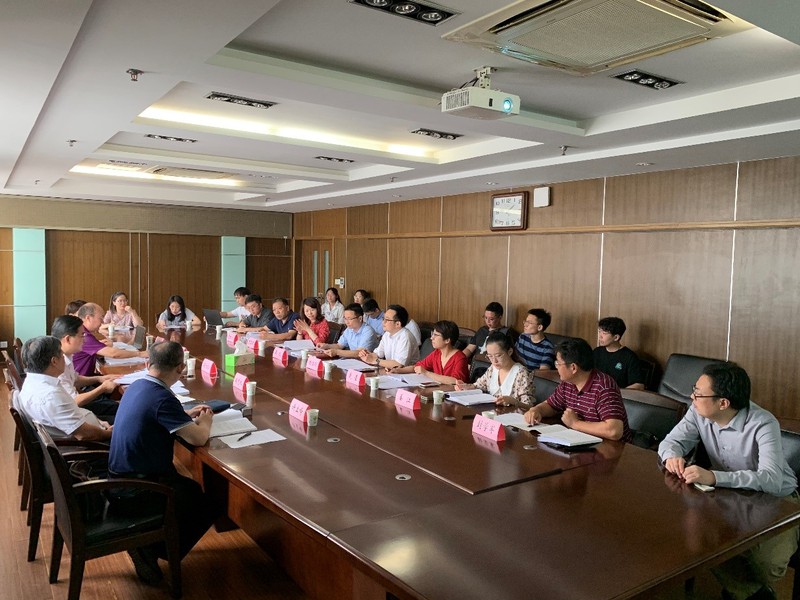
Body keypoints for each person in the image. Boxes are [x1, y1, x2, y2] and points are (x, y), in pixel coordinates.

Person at [659, 362, 799, 600]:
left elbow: (772, 480)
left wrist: (715, 476)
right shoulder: (697, 411)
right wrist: (671, 456)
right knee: (700, 542)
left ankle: (744, 590)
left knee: (768, 567)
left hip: (778, 501)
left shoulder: (763, 423)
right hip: (730, 494)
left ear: (723, 403)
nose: (692, 397)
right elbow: (670, 442)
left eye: (698, 393)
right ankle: (749, 594)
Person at [108, 341, 214, 585]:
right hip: (138, 488)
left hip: (120, 477)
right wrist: (206, 421)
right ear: (180, 368)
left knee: (191, 491)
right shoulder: (163, 398)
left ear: (148, 363)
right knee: (207, 502)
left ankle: (150, 543)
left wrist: (182, 416)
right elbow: (198, 438)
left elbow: (153, 416)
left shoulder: (137, 385)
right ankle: (150, 547)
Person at [524, 338, 631, 442]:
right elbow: (551, 405)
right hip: (581, 442)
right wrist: (536, 410)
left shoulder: (604, 387)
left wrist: (575, 423)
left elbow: (614, 431)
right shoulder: (568, 383)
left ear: (573, 368)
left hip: (611, 449)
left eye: (558, 363)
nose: (556, 367)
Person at [18, 335, 112, 441]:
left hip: (90, 427)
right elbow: (84, 434)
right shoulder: (51, 395)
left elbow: (71, 413)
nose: (64, 358)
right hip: (89, 444)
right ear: (54, 361)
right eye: (62, 354)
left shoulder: (33, 381)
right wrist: (109, 434)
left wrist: (98, 422)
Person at [52, 315, 120, 421]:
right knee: (122, 415)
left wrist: (100, 379)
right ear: (68, 339)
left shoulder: (67, 355)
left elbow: (75, 380)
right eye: (82, 335)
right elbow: (75, 401)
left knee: (119, 407)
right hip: (74, 413)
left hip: (77, 406)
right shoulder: (58, 364)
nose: (84, 340)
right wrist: (102, 388)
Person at [455, 331, 534, 406]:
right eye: (490, 356)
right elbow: (478, 386)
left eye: (498, 356)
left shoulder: (521, 373)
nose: (494, 361)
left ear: (510, 352)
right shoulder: (493, 368)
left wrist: (513, 402)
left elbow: (529, 406)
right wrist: (464, 387)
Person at [72, 303, 148, 376]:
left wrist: (101, 345)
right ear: (88, 318)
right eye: (101, 318)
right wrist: (140, 354)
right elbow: (113, 354)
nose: (102, 322)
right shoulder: (84, 336)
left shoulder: (82, 332)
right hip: (81, 381)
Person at [392, 320, 469, 384]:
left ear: (447, 340)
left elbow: (456, 381)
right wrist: (397, 370)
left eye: (436, 335)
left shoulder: (460, 358)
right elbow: (417, 367)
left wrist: (427, 373)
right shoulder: (437, 353)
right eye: (432, 334)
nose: (432, 338)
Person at [359, 304, 420, 369]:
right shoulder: (387, 334)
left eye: (387, 320)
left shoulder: (405, 336)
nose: (383, 322)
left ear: (397, 324)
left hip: (408, 373)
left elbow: (399, 365)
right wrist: (367, 355)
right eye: (383, 319)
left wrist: (375, 360)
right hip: (391, 371)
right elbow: (378, 354)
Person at [593, 316, 645, 390]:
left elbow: (639, 385)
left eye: (604, 333)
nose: (600, 336)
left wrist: (617, 392)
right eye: (599, 331)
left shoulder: (629, 357)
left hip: (617, 395)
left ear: (616, 337)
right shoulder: (596, 352)